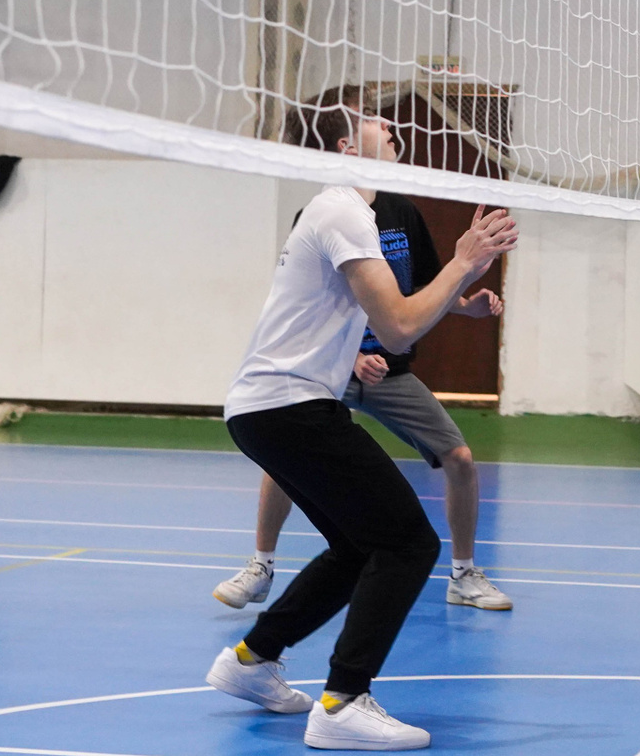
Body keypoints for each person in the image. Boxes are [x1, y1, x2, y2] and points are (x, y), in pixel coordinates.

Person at [205, 85, 517, 751]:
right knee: (407, 543)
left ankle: (253, 660)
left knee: (357, 547)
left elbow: (400, 316)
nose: (389, 124)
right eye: (373, 119)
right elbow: (399, 327)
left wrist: (462, 279)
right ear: (347, 147)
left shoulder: (349, 215)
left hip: (273, 406)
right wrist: (463, 261)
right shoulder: (342, 209)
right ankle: (342, 703)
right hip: (288, 405)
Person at [213, 188, 512, 615]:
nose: (382, 136)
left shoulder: (401, 212)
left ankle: (463, 575)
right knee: (284, 459)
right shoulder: (324, 213)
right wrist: (352, 357)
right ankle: (261, 566)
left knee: (460, 457)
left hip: (389, 372)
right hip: (331, 366)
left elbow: (423, 289)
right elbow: (308, 302)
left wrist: (467, 306)